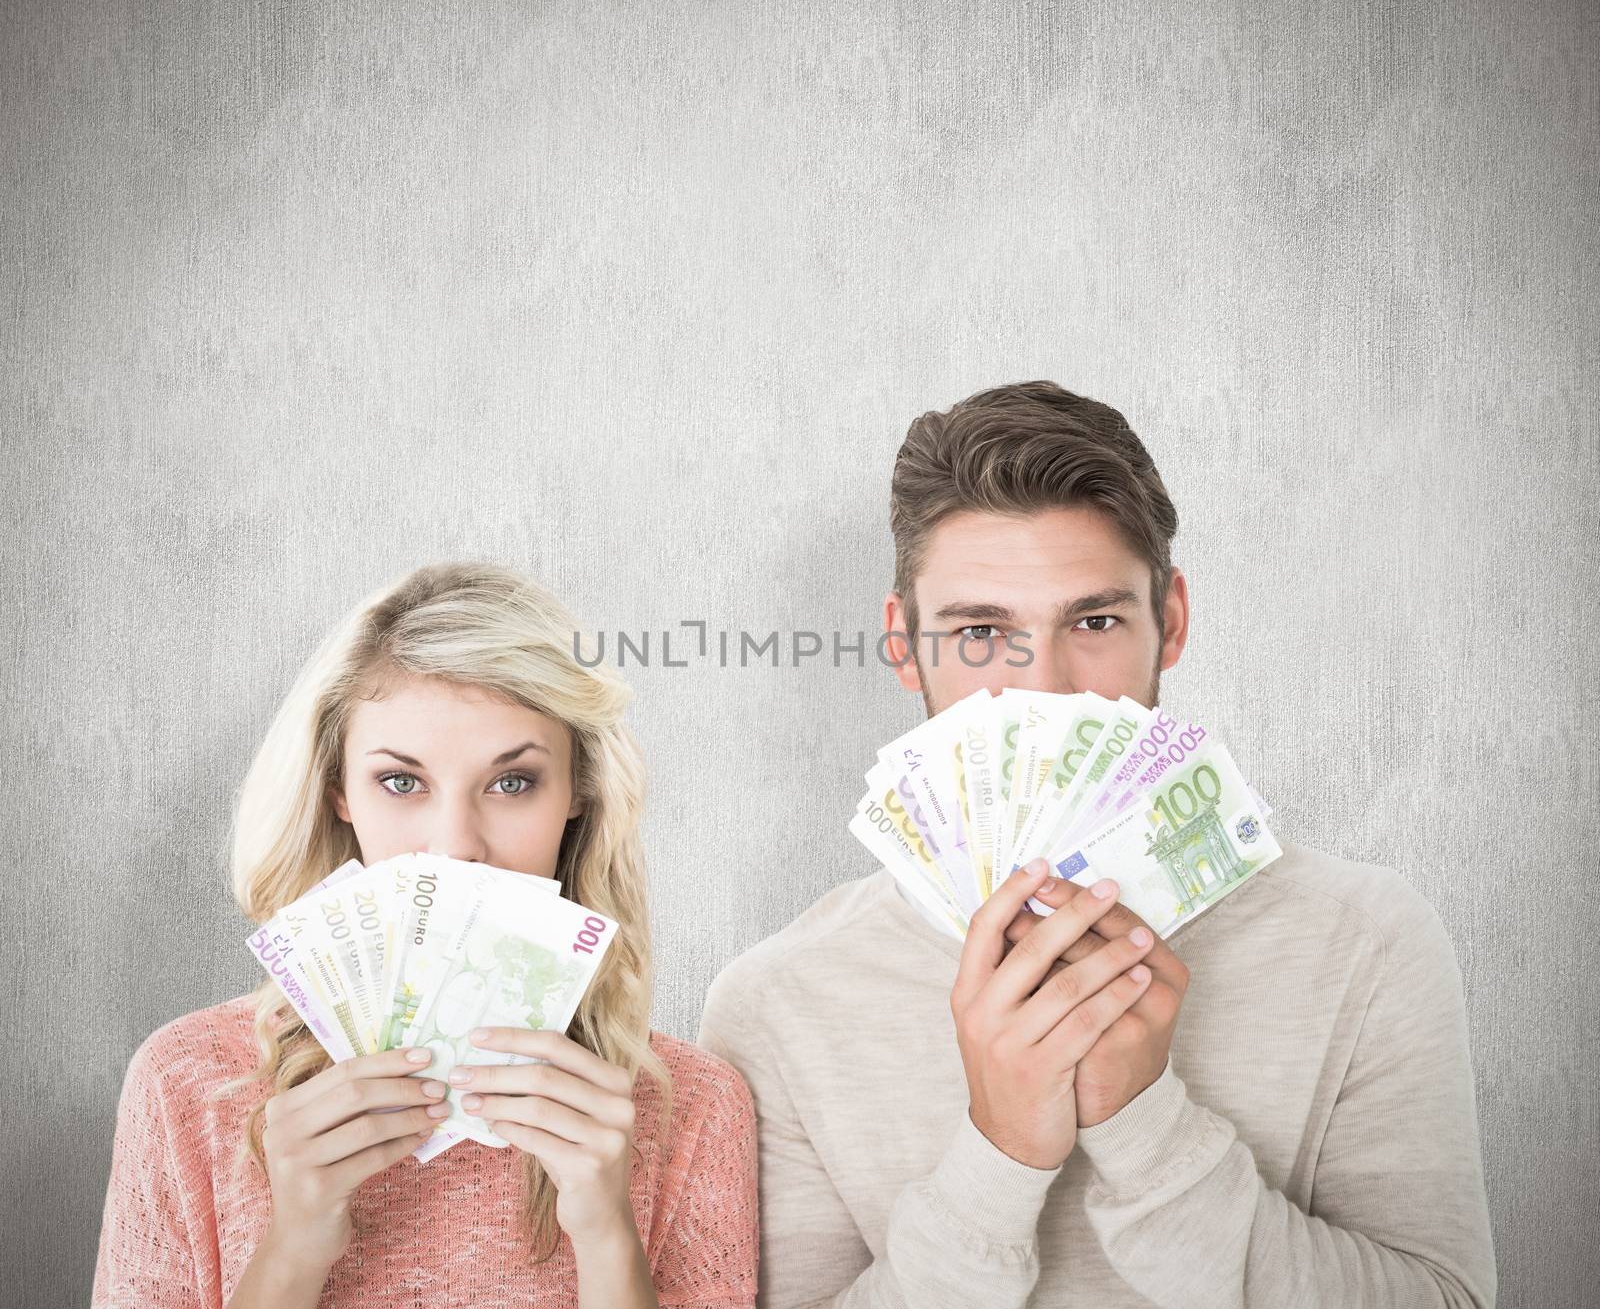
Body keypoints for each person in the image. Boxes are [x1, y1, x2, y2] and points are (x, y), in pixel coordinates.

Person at [696, 381, 1496, 1308]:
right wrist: (998, 1154)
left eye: (1094, 621)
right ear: (905, 644)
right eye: (982, 631)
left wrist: (1144, 1122)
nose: (1047, 690)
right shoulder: (777, 1000)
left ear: (1175, 620)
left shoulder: (1367, 941)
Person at [92, 561, 758, 1309]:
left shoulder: (693, 1107)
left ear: (580, 792)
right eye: (402, 782)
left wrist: (606, 1236)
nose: (454, 846)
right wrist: (292, 1246)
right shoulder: (187, 1085)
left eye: (512, 781)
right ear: (337, 789)